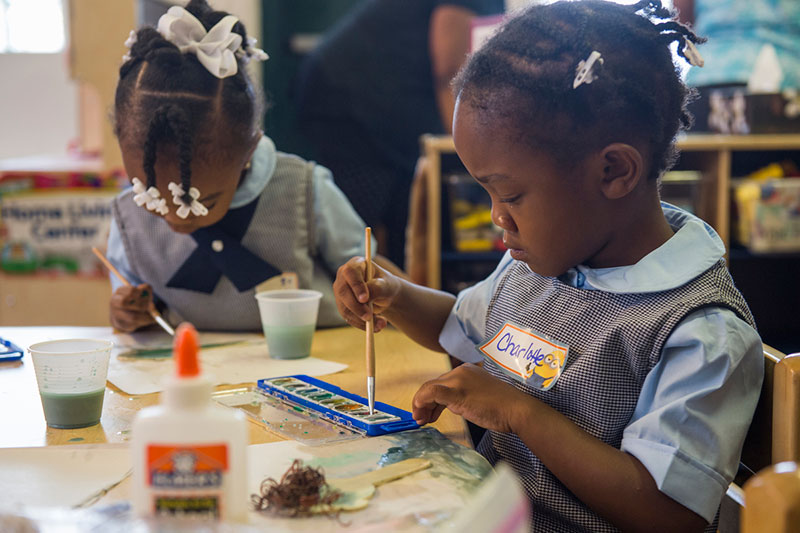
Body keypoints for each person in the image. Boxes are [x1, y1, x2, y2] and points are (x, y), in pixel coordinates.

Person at [333, 1, 763, 531]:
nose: (496, 217)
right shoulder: (542, 264)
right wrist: (394, 296)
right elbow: (455, 326)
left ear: (613, 171)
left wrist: (517, 412)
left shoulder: (699, 329)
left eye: (510, 193)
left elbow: (670, 512)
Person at [106, 0, 395, 332]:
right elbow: (127, 293)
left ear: (249, 151)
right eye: (152, 200)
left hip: (319, 361)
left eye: (200, 202)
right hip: (196, 372)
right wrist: (127, 311)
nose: (174, 220)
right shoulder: (128, 217)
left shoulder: (303, 190)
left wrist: (368, 287)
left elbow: (371, 274)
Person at [294, 0, 504, 267]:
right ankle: (347, 298)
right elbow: (450, 69)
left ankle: (390, 293)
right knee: (354, 229)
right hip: (350, 97)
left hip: (374, 93)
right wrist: (465, 146)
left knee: (402, 215)